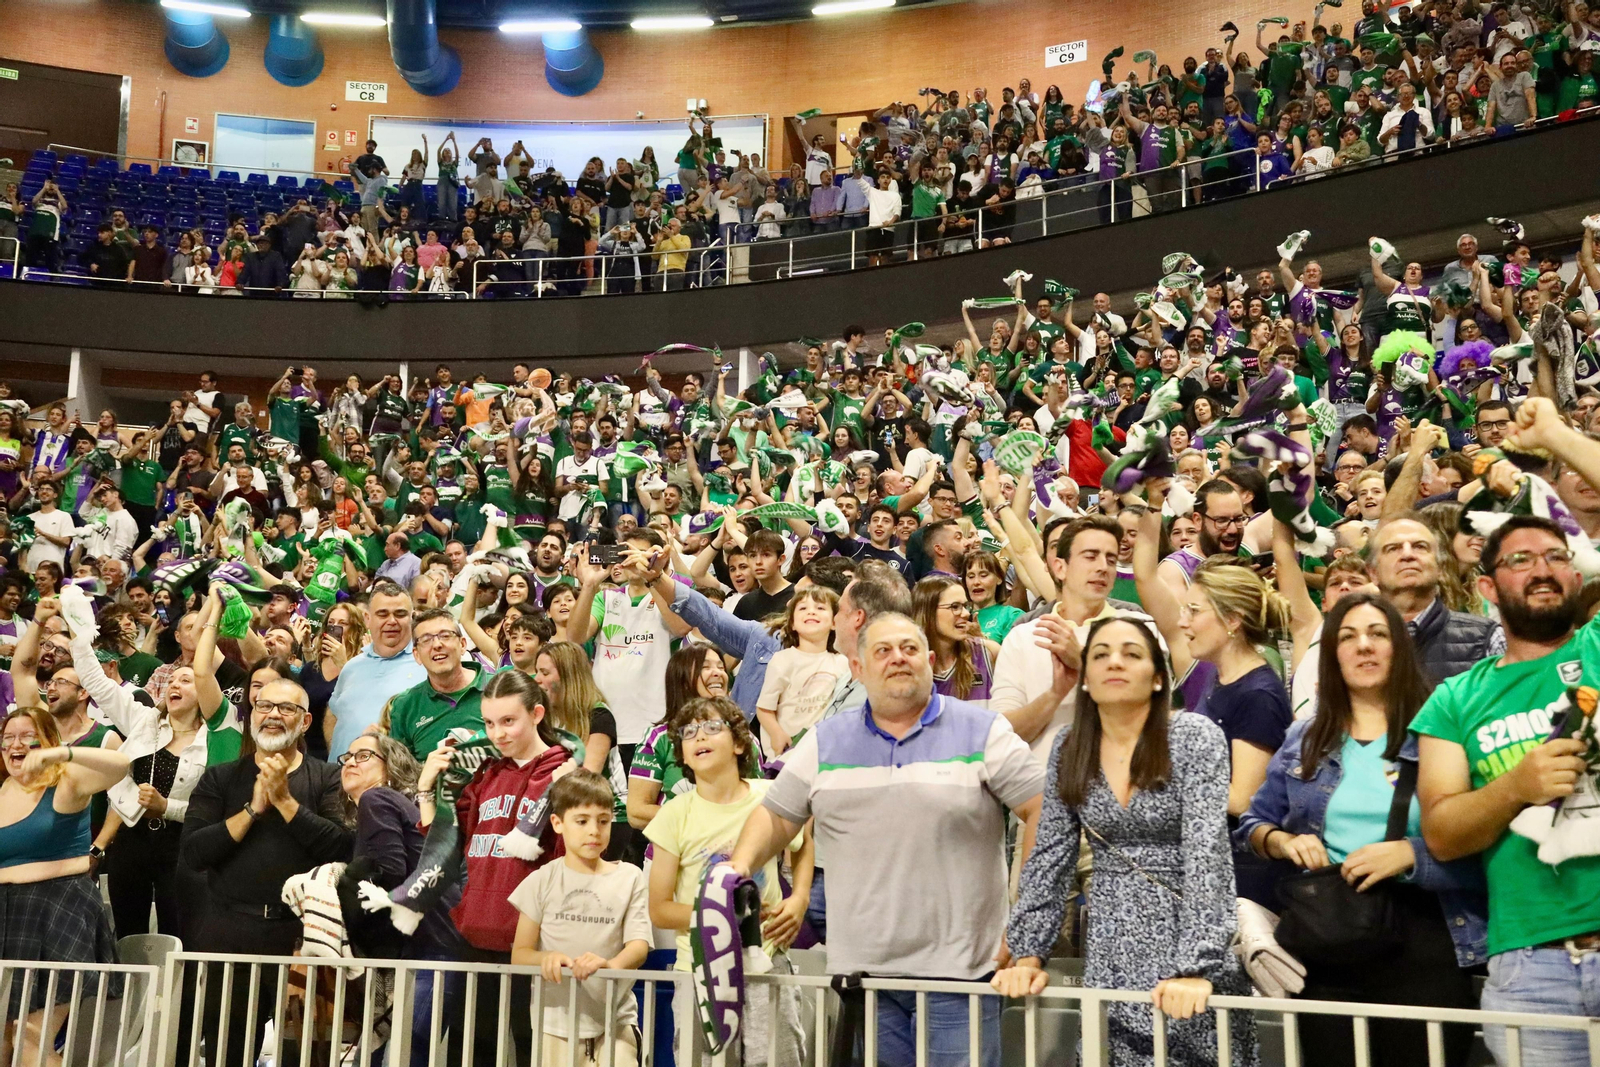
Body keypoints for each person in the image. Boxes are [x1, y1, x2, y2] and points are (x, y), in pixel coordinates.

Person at [731, 613, 1043, 1067]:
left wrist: (1027, 920)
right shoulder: (825, 740)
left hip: (960, 975)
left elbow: (1041, 810)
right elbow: (777, 816)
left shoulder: (983, 730)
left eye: (910, 648)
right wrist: (739, 864)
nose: (898, 658)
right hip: (867, 977)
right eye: (882, 650)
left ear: (930, 661)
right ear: (857, 669)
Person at [1414, 397, 1600, 1066]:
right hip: (1532, 968)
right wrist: (1516, 787)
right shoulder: (1454, 700)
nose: (1542, 567)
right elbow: (1441, 829)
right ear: (1489, 588)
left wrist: (1557, 437)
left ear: (1577, 575)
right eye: (1520, 560)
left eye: (1555, 555)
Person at [995, 615, 1255, 1066]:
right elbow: (1051, 858)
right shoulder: (1069, 746)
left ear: (1158, 678)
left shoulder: (1195, 737)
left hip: (1188, 944)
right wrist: (1028, 952)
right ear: (1087, 680)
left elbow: (1207, 854)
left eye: (1131, 654)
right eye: (1100, 654)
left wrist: (1197, 966)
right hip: (1110, 943)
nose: (1114, 662)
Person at [1237, 593, 1481, 1067]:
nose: (1363, 646)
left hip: (1426, 942)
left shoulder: (1445, 732)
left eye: (1377, 634)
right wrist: (1284, 841)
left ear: (1400, 648)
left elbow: (1484, 843)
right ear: (1332, 656)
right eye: (1347, 637)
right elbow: (1251, 825)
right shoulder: (1303, 738)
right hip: (1329, 942)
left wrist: (1412, 857)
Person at [179, 675, 351, 1067]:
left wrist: (285, 802)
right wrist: (253, 809)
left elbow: (341, 847)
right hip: (230, 933)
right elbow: (194, 853)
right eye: (264, 706)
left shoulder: (327, 777)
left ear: (305, 722)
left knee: (307, 1055)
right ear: (251, 714)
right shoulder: (220, 777)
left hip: (305, 937)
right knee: (227, 1052)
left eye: (286, 708)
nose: (273, 715)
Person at [1133, 484, 1292, 906]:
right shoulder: (1224, 679)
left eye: (1194, 611)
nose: (1182, 623)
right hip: (1213, 864)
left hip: (1244, 881)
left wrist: (1162, 785)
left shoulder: (1258, 693)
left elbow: (1243, 798)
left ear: (1233, 620)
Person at [415, 669, 572, 1067]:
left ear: (537, 714)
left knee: (531, 1046)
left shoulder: (562, 773)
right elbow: (447, 846)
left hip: (531, 940)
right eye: (489, 722)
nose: (498, 733)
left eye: (508, 721)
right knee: (468, 1048)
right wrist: (425, 788)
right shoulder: (485, 775)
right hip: (475, 932)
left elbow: (572, 859)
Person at [645, 695, 812, 1067]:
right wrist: (719, 912)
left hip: (766, 962)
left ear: (739, 743)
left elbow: (803, 845)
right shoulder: (674, 814)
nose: (698, 736)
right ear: (683, 757)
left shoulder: (770, 797)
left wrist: (799, 897)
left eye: (711, 727)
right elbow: (659, 909)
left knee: (778, 1058)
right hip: (699, 973)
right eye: (688, 733)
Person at [0, 706, 130, 1066]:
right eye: (8, 737)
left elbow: (120, 766)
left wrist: (63, 753)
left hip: (59, 910)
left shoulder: (67, 781)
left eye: (28, 736)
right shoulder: (2, 788)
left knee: (32, 1036)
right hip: (8, 915)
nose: (16, 744)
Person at [510, 770, 651, 1067]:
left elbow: (638, 946)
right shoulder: (541, 880)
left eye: (603, 821)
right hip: (555, 1025)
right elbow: (520, 954)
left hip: (616, 1020)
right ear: (558, 823)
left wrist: (609, 966)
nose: (594, 831)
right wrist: (545, 958)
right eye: (582, 821)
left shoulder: (630, 877)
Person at [532, 641, 632, 861]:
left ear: (568, 676)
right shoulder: (545, 717)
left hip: (607, 819)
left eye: (545, 672)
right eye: (536, 671)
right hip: (566, 816)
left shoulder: (598, 716)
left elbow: (588, 776)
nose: (536, 679)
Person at [325, 581, 427, 759]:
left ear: (412, 617)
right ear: (367, 619)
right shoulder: (352, 666)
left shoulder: (425, 665)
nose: (392, 621)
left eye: (400, 614)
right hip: (338, 777)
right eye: (382, 614)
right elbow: (333, 714)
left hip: (392, 781)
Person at [754, 586, 849, 756]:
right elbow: (764, 708)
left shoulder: (842, 662)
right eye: (803, 608)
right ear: (792, 623)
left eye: (820, 608)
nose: (811, 612)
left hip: (826, 753)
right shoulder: (783, 660)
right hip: (788, 753)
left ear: (834, 622)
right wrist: (777, 734)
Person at [388, 607, 489, 760]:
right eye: (426, 640)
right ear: (417, 655)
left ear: (463, 645)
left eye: (445, 635)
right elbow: (401, 773)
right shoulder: (405, 706)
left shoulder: (502, 686)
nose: (437, 645)